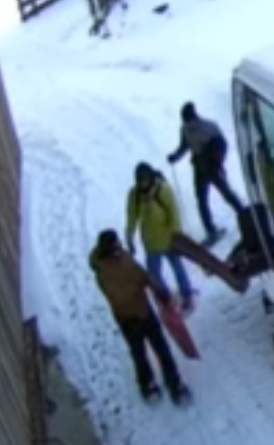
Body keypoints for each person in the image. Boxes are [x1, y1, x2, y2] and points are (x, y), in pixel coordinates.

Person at [90, 229, 190, 404]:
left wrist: (157, 288)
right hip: (128, 319)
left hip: (146, 311)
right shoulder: (103, 272)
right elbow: (117, 297)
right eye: (114, 247)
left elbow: (140, 274)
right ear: (106, 250)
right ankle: (147, 383)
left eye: (118, 244)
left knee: (162, 348)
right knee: (139, 354)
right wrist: (137, 288)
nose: (118, 248)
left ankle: (174, 381)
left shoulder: (123, 256)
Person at [166, 101, 245, 246]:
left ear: (195, 116)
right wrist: (175, 156)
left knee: (226, 193)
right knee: (201, 200)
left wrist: (217, 162)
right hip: (199, 168)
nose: (188, 124)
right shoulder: (185, 129)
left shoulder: (209, 127)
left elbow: (223, 145)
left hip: (212, 167)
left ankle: (245, 215)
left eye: (189, 120)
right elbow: (184, 146)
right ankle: (211, 230)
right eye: (185, 121)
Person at [125, 162, 195, 312]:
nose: (143, 184)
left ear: (150, 178)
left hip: (169, 239)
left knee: (178, 268)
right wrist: (129, 238)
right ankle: (166, 298)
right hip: (151, 242)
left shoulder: (164, 190)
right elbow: (132, 218)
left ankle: (187, 295)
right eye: (140, 181)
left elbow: (174, 215)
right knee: (154, 274)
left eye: (145, 180)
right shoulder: (135, 195)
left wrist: (176, 236)